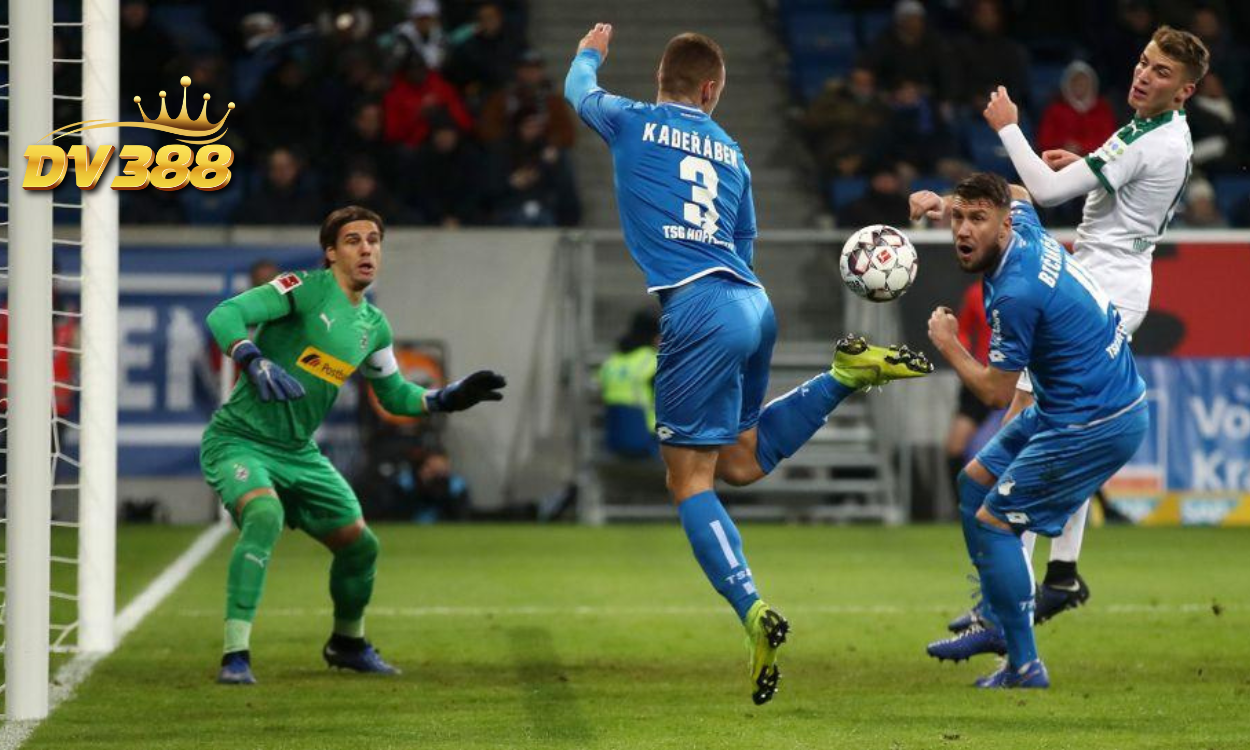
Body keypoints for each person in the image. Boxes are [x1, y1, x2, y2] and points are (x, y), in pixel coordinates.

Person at [565, 24, 932, 704]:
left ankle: (751, 610)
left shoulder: (631, 121)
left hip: (697, 306)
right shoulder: (732, 151)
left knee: (689, 482)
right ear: (711, 90)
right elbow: (746, 239)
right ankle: (845, 377)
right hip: (752, 303)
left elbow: (576, 89)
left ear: (663, 82)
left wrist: (591, 50)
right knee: (740, 459)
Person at [925, 25, 1206, 627]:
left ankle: (1007, 603)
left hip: (1105, 283)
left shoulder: (1150, 141)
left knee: (1028, 427)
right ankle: (1059, 573)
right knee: (1059, 430)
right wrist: (953, 202)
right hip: (1107, 276)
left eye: (1160, 73)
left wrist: (1007, 125)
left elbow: (1047, 192)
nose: (1142, 75)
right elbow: (1052, 193)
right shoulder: (1153, 131)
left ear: (1182, 93)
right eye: (1142, 62)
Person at [202, 206, 507, 685]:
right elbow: (226, 314)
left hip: (299, 453)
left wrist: (445, 398)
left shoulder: (373, 326)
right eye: (353, 240)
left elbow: (395, 396)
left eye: (374, 240)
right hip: (240, 440)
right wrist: (252, 356)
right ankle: (235, 655)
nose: (366, 248)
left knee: (361, 547)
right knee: (265, 515)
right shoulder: (301, 289)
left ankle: (347, 643)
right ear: (330, 252)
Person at [916, 173, 1148, 688]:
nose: (962, 230)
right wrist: (944, 200)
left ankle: (1020, 657)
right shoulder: (1022, 224)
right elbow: (1017, 194)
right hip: (1070, 403)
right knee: (973, 481)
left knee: (998, 522)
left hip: (1094, 420)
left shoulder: (1015, 291)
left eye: (977, 219)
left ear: (1000, 229)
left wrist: (948, 342)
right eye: (959, 218)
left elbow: (997, 392)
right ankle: (1000, 617)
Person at [598, 311, 660, 459]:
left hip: (614, 440)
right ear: (656, 335)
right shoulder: (653, 361)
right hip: (648, 442)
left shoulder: (613, 362)